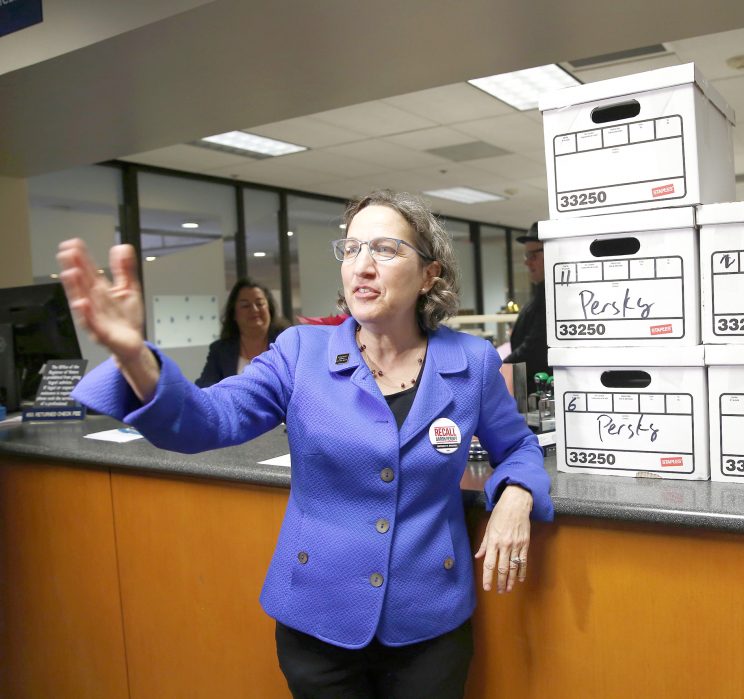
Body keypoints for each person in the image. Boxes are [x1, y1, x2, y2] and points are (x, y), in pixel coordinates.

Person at [57, 190, 553, 699]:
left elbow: (517, 446)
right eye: (352, 248)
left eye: (385, 249)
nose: (362, 266)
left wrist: (516, 495)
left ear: (430, 274)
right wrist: (134, 356)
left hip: (430, 620)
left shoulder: (471, 362)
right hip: (319, 619)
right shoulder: (299, 352)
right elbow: (207, 420)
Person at [196, 277, 287, 388]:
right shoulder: (220, 350)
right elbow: (205, 388)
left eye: (259, 304)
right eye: (245, 305)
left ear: (270, 310)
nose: (254, 309)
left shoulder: (286, 344)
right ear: (234, 314)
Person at [504, 223, 551, 394]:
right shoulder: (542, 293)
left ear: (551, 253)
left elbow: (533, 348)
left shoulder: (552, 297)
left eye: (532, 255)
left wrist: (499, 365)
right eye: (526, 255)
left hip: (542, 391)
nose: (526, 262)